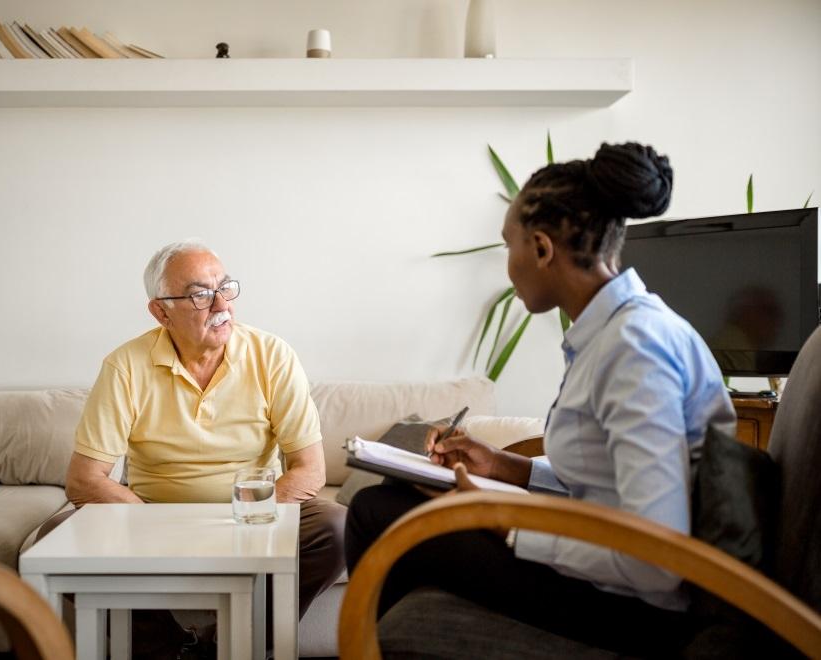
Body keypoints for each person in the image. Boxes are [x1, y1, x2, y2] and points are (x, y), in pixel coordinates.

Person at [344, 142, 737, 656]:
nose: (508, 265)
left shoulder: (636, 349)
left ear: (542, 249)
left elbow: (656, 562)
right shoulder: (616, 335)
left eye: (509, 245)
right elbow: (606, 483)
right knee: (392, 501)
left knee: (376, 512)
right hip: (610, 581)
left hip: (635, 612)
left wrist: (502, 522)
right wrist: (506, 468)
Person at [63, 239, 345, 632]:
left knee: (337, 527)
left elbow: (310, 469)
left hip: (253, 515)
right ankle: (170, 649)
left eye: (225, 288)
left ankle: (238, 639)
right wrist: (151, 524)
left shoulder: (272, 355)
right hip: (154, 517)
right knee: (58, 539)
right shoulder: (125, 366)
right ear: (161, 312)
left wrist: (241, 520)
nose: (222, 305)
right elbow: (83, 480)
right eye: (200, 295)